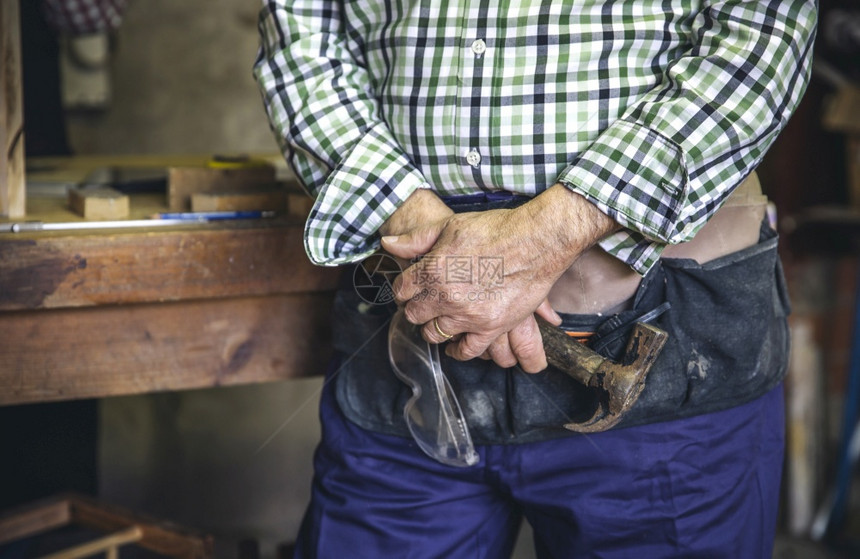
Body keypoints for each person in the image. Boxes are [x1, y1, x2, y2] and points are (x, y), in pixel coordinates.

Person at [254, 1, 818, 557]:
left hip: (665, 329)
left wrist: (547, 235)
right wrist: (410, 215)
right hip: (409, 318)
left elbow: (766, 31)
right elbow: (303, 40)